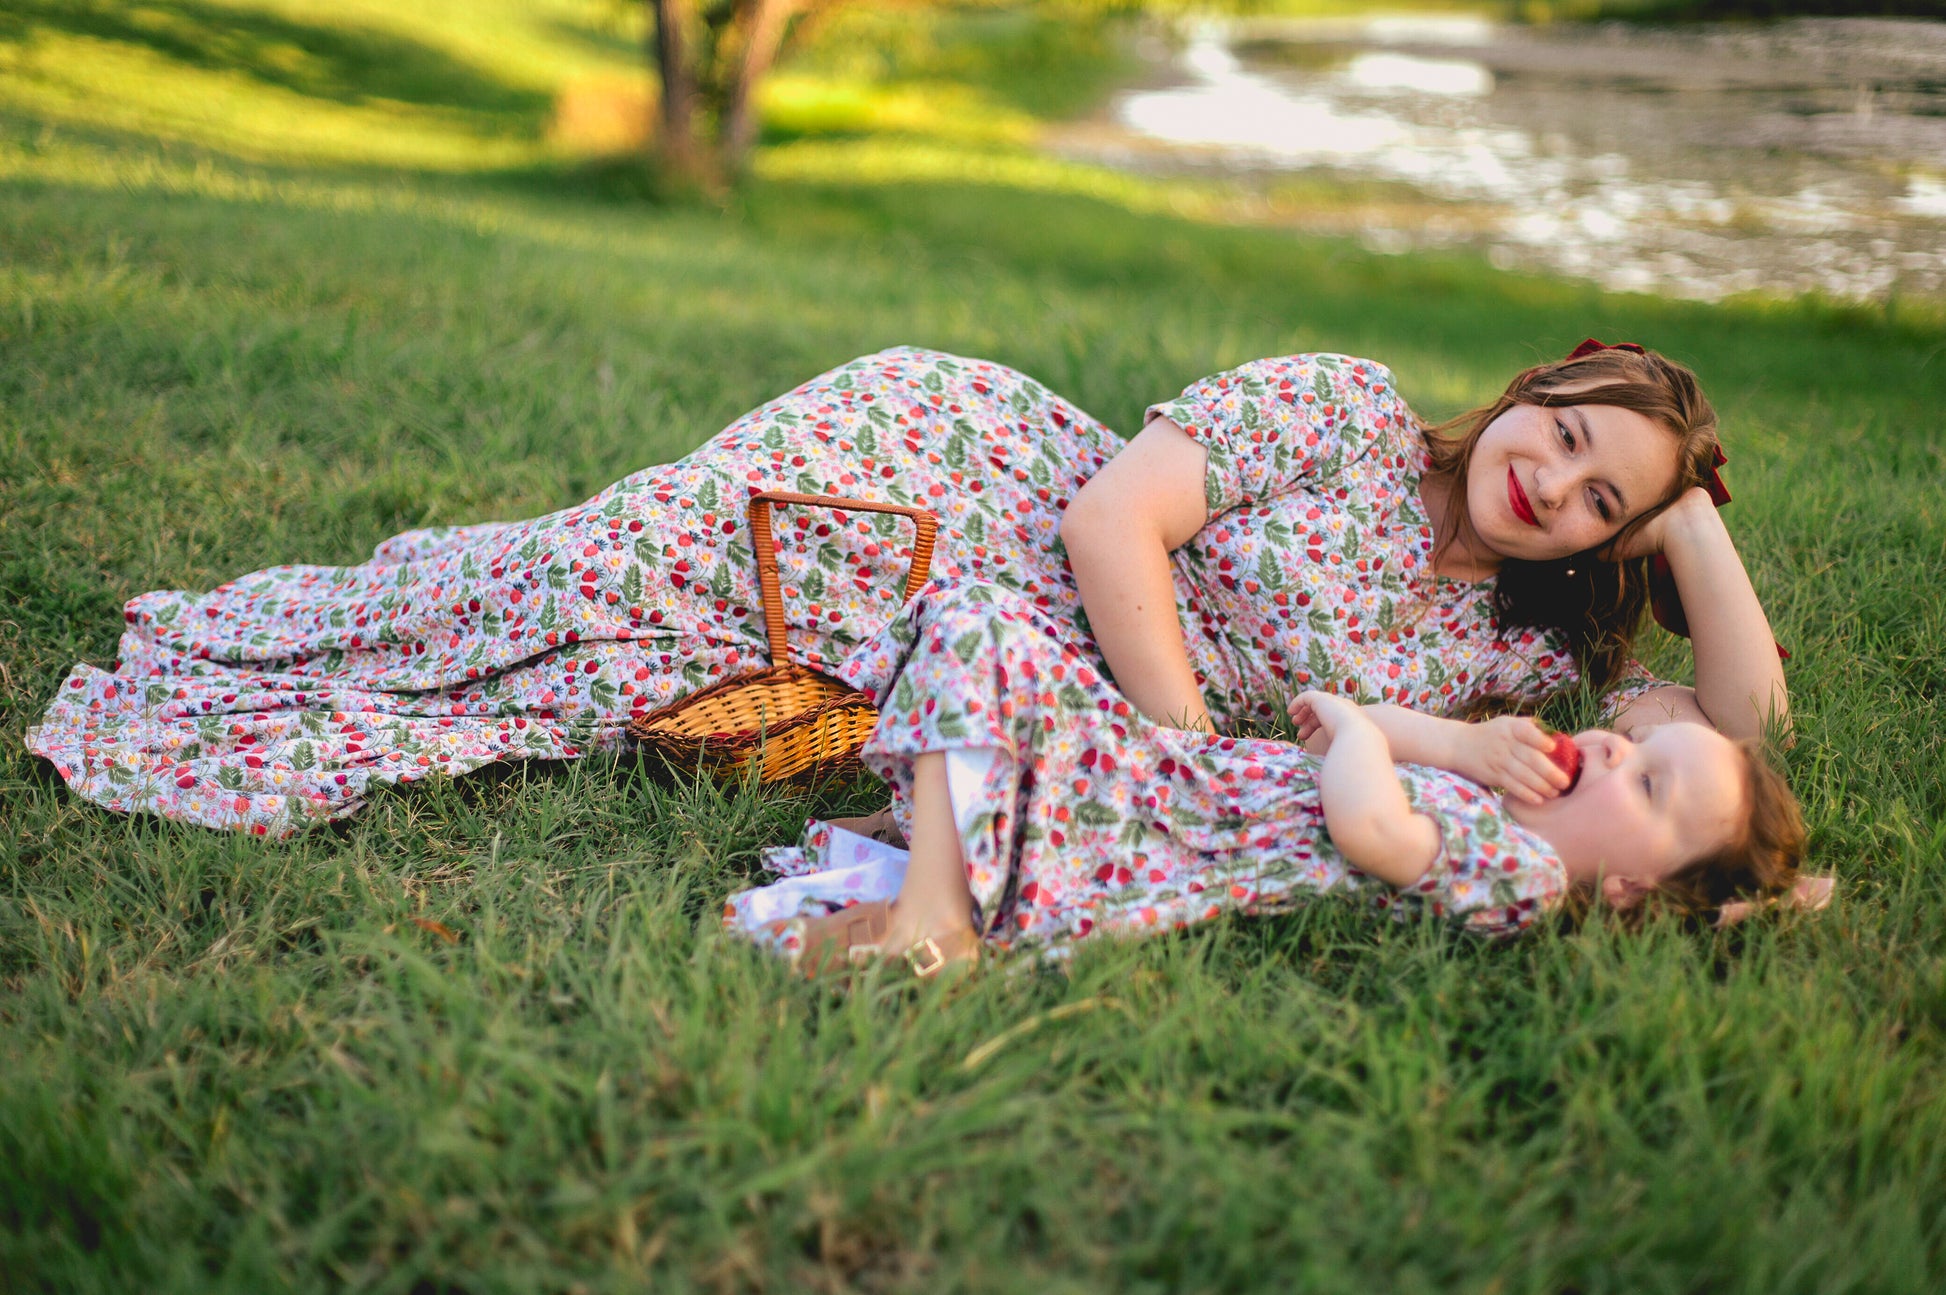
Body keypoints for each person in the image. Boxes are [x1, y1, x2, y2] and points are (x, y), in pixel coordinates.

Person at [26, 341, 1784, 836]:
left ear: (1600, 547)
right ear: (1531, 392)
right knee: (613, 568)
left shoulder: (1505, 654)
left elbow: (1739, 723)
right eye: (1563, 431)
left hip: (1022, 644)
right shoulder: (1339, 412)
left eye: (1595, 499)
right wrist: (1177, 755)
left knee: (622, 684)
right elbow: (1113, 531)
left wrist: (1692, 511)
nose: (1547, 478)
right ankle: (254, 638)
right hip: (969, 479)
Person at [724, 586, 1806, 975]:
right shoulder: (1499, 801)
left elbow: (1372, 828)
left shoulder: (1518, 867)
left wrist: (1357, 739)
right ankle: (932, 887)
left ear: (1622, 889)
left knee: (979, 630)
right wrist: (1410, 733)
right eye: (1640, 744)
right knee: (975, 620)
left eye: (1650, 787)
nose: (1617, 750)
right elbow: (1381, 745)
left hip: (1161, 818)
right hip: (1165, 782)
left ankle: (933, 918)